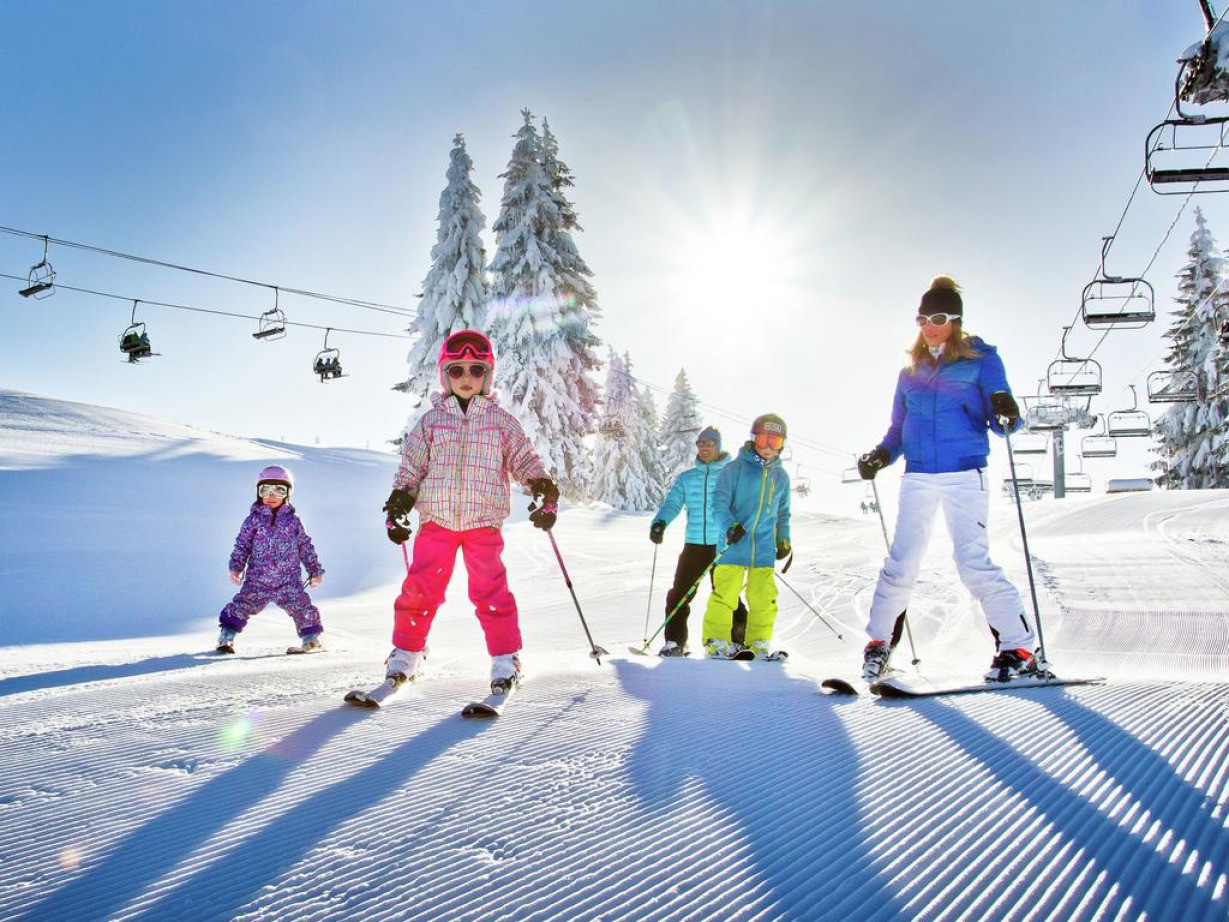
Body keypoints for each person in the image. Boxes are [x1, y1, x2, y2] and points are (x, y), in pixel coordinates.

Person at [857, 274, 1035, 683]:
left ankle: (1018, 646)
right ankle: (878, 644)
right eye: (922, 319)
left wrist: (1007, 411)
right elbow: (898, 430)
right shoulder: (910, 371)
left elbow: (1004, 424)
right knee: (901, 563)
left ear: (955, 321)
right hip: (919, 474)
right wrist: (882, 454)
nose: (929, 326)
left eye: (937, 318)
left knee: (972, 561)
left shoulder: (981, 360)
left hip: (964, 471)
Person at [365, 329, 558, 702]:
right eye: (456, 370)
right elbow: (412, 468)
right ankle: (406, 654)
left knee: (491, 593)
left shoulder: (501, 422)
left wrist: (542, 489)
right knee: (419, 591)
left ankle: (506, 660)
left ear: (488, 376)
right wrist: (400, 502)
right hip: (436, 522)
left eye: (475, 369)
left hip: (482, 523)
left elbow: (525, 459)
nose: (466, 377)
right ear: (445, 375)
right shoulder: (431, 422)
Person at [649, 426, 748, 656]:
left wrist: (738, 529)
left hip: (722, 545)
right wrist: (659, 522)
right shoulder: (687, 478)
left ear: (718, 446)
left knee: (727, 595)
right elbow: (672, 503)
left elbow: (743, 506)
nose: (704, 447)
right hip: (694, 545)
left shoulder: (730, 476)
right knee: (679, 594)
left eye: (710, 443)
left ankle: (739, 640)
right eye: (701, 443)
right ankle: (675, 643)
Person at [702, 414, 791, 659]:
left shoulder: (781, 477)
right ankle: (716, 642)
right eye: (763, 440)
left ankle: (758, 644)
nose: (768, 447)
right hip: (733, 545)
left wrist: (783, 539)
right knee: (725, 596)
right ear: (753, 439)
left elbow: (783, 513)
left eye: (775, 442)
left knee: (764, 599)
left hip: (763, 550)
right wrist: (729, 526)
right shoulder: (734, 470)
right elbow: (718, 504)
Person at [218, 465, 325, 654]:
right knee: (241, 605)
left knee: (302, 608)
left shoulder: (293, 521)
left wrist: (314, 570)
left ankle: (310, 640)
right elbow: (242, 545)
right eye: (265, 490)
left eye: (279, 490)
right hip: (258, 580)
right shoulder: (253, 520)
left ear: (287, 493)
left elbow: (305, 546)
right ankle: (226, 638)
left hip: (288, 580)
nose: (271, 495)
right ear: (258, 493)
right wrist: (236, 567)